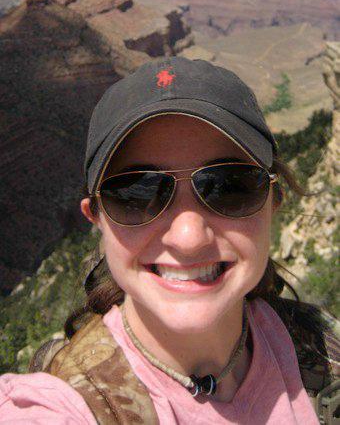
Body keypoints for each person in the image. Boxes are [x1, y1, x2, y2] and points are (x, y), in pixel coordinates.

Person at [0, 57, 339, 424]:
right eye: (137, 193)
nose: (189, 238)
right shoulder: (60, 408)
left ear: (273, 202)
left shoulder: (322, 349)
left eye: (229, 187)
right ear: (95, 218)